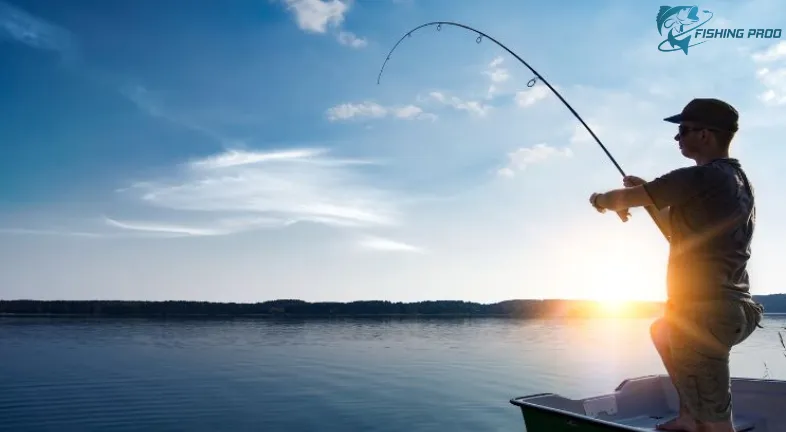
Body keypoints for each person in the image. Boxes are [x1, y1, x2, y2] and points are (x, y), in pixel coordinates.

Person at [587, 98, 764, 432]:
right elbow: (673, 230)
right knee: (663, 330)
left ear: (706, 135)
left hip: (704, 314)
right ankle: (687, 416)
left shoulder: (699, 177)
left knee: (717, 425)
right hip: (735, 309)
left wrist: (599, 200)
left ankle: (704, 420)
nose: (677, 138)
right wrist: (647, 195)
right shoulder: (738, 182)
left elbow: (618, 200)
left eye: (683, 130)